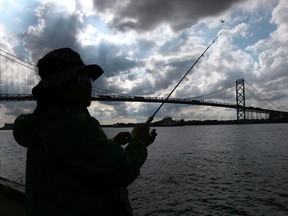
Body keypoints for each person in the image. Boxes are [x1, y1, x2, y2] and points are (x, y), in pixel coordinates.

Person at [13, 48, 157, 216]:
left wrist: (111, 145)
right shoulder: (75, 124)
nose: (90, 84)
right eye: (83, 78)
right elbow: (123, 172)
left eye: (90, 79)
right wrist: (138, 141)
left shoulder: (39, 124)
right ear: (60, 85)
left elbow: (74, 153)